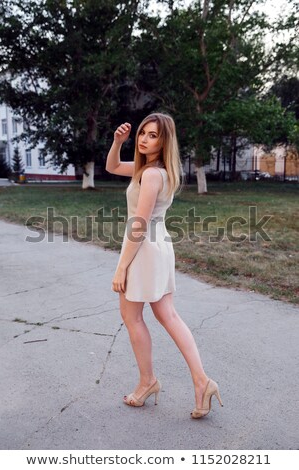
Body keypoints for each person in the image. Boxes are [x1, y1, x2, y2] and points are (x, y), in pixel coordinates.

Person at [105, 112, 223, 418]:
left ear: (164, 140)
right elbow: (112, 166)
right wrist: (118, 142)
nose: (144, 139)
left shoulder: (152, 175)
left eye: (152, 135)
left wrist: (121, 268)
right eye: (143, 133)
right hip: (158, 244)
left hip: (142, 245)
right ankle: (202, 381)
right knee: (167, 315)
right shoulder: (157, 170)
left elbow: (139, 224)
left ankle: (148, 382)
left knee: (132, 317)